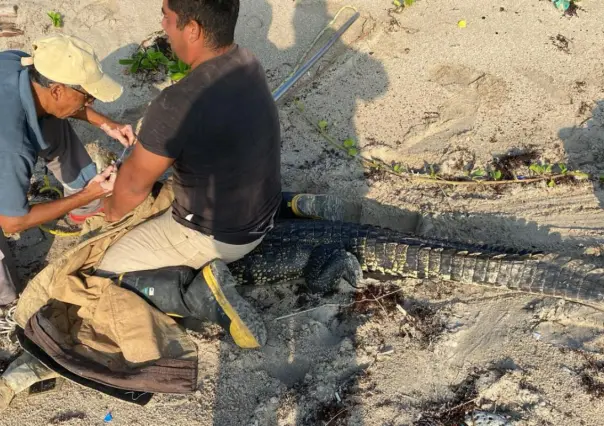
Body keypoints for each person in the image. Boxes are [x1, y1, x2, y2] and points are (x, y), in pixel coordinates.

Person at [97, 0, 342, 348]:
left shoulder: (175, 102)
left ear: (193, 29)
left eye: (167, 19)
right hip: (264, 208)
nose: (163, 27)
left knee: (107, 275)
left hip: (219, 235)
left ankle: (201, 295)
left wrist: (107, 209)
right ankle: (295, 205)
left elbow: (131, 191)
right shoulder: (247, 61)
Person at [0, 34, 135, 305]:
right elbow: (11, 222)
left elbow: (59, 105)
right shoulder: (13, 148)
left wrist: (107, 124)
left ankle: (86, 200)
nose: (91, 103)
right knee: (7, 292)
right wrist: (85, 194)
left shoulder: (16, 63)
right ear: (58, 90)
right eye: (87, 96)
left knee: (51, 120)